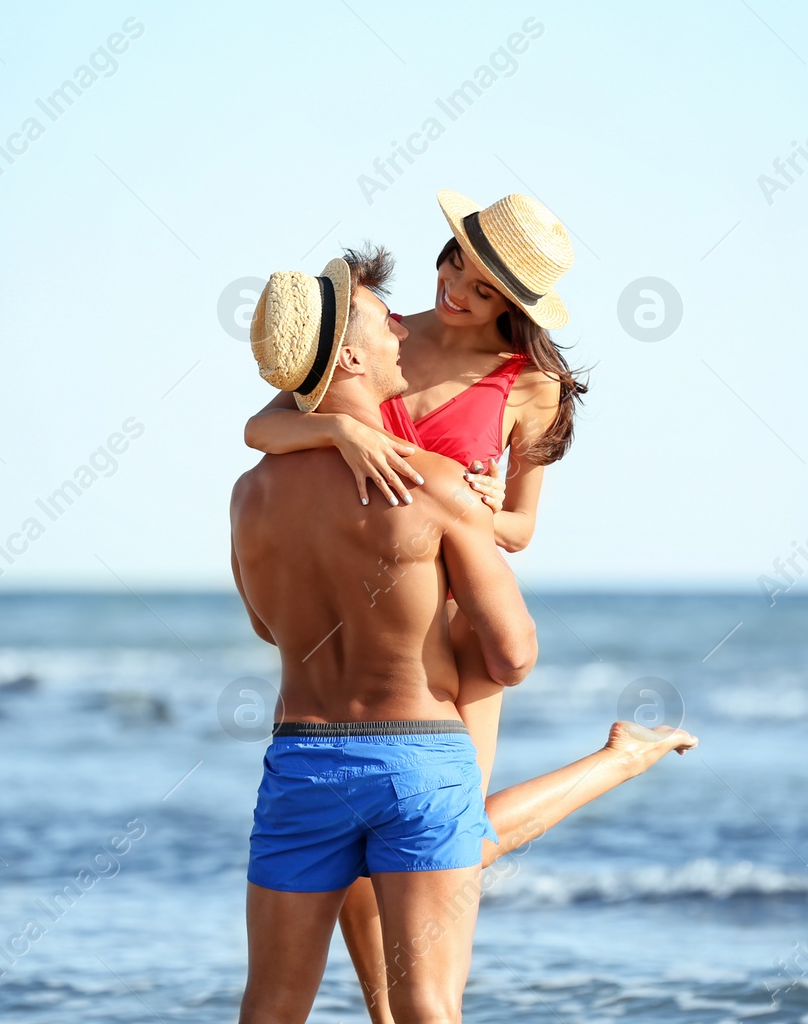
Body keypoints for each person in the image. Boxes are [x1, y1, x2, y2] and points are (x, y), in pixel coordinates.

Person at [239, 226, 697, 1022]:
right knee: (437, 845)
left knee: (429, 863)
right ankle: (619, 761)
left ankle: (618, 760)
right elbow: (274, 418)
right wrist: (349, 432)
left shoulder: (255, 492)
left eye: (485, 287)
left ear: (513, 305)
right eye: (457, 263)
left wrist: (469, 514)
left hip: (416, 645)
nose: (453, 291)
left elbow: (518, 527)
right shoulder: (384, 334)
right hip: (413, 686)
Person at [231, 248, 536, 1023]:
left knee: (270, 1005)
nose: (404, 325)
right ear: (354, 355)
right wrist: (447, 637)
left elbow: (268, 624)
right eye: (381, 318)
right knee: (426, 1004)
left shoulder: (250, 496)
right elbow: (514, 653)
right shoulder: (434, 485)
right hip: (419, 760)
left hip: (301, 758)